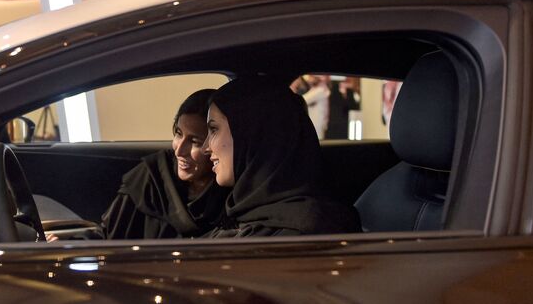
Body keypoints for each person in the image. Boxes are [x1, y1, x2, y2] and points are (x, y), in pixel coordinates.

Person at [202, 77, 360, 238]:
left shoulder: (304, 232)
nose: (205, 148)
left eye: (214, 129)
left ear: (254, 136)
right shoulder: (244, 216)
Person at [102, 89, 229, 239]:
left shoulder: (231, 195)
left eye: (195, 141)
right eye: (178, 133)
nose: (179, 151)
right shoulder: (151, 177)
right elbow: (107, 240)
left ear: (215, 144)